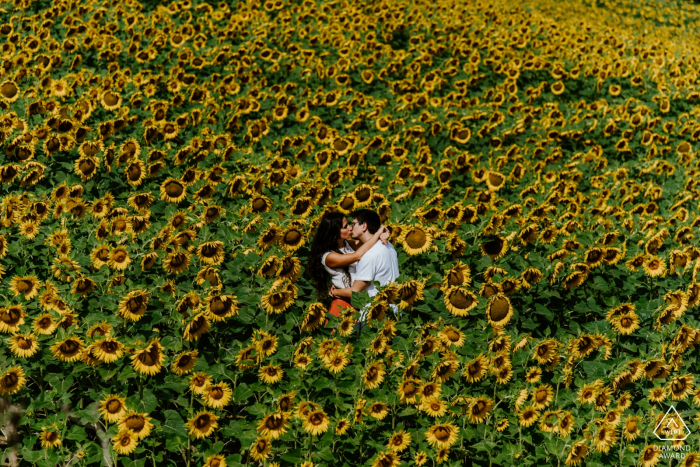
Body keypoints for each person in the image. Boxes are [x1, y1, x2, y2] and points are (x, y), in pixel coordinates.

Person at [307, 211, 390, 318]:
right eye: (345, 227)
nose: (350, 228)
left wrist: (382, 235)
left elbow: (368, 242)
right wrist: (378, 234)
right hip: (344, 304)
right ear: (335, 232)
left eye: (350, 224)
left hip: (357, 300)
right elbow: (357, 255)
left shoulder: (346, 244)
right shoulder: (329, 257)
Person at [330, 209, 400, 323]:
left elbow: (355, 292)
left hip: (375, 316)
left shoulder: (369, 255)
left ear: (364, 226)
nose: (351, 228)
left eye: (353, 224)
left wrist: (335, 292)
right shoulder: (388, 245)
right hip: (393, 310)